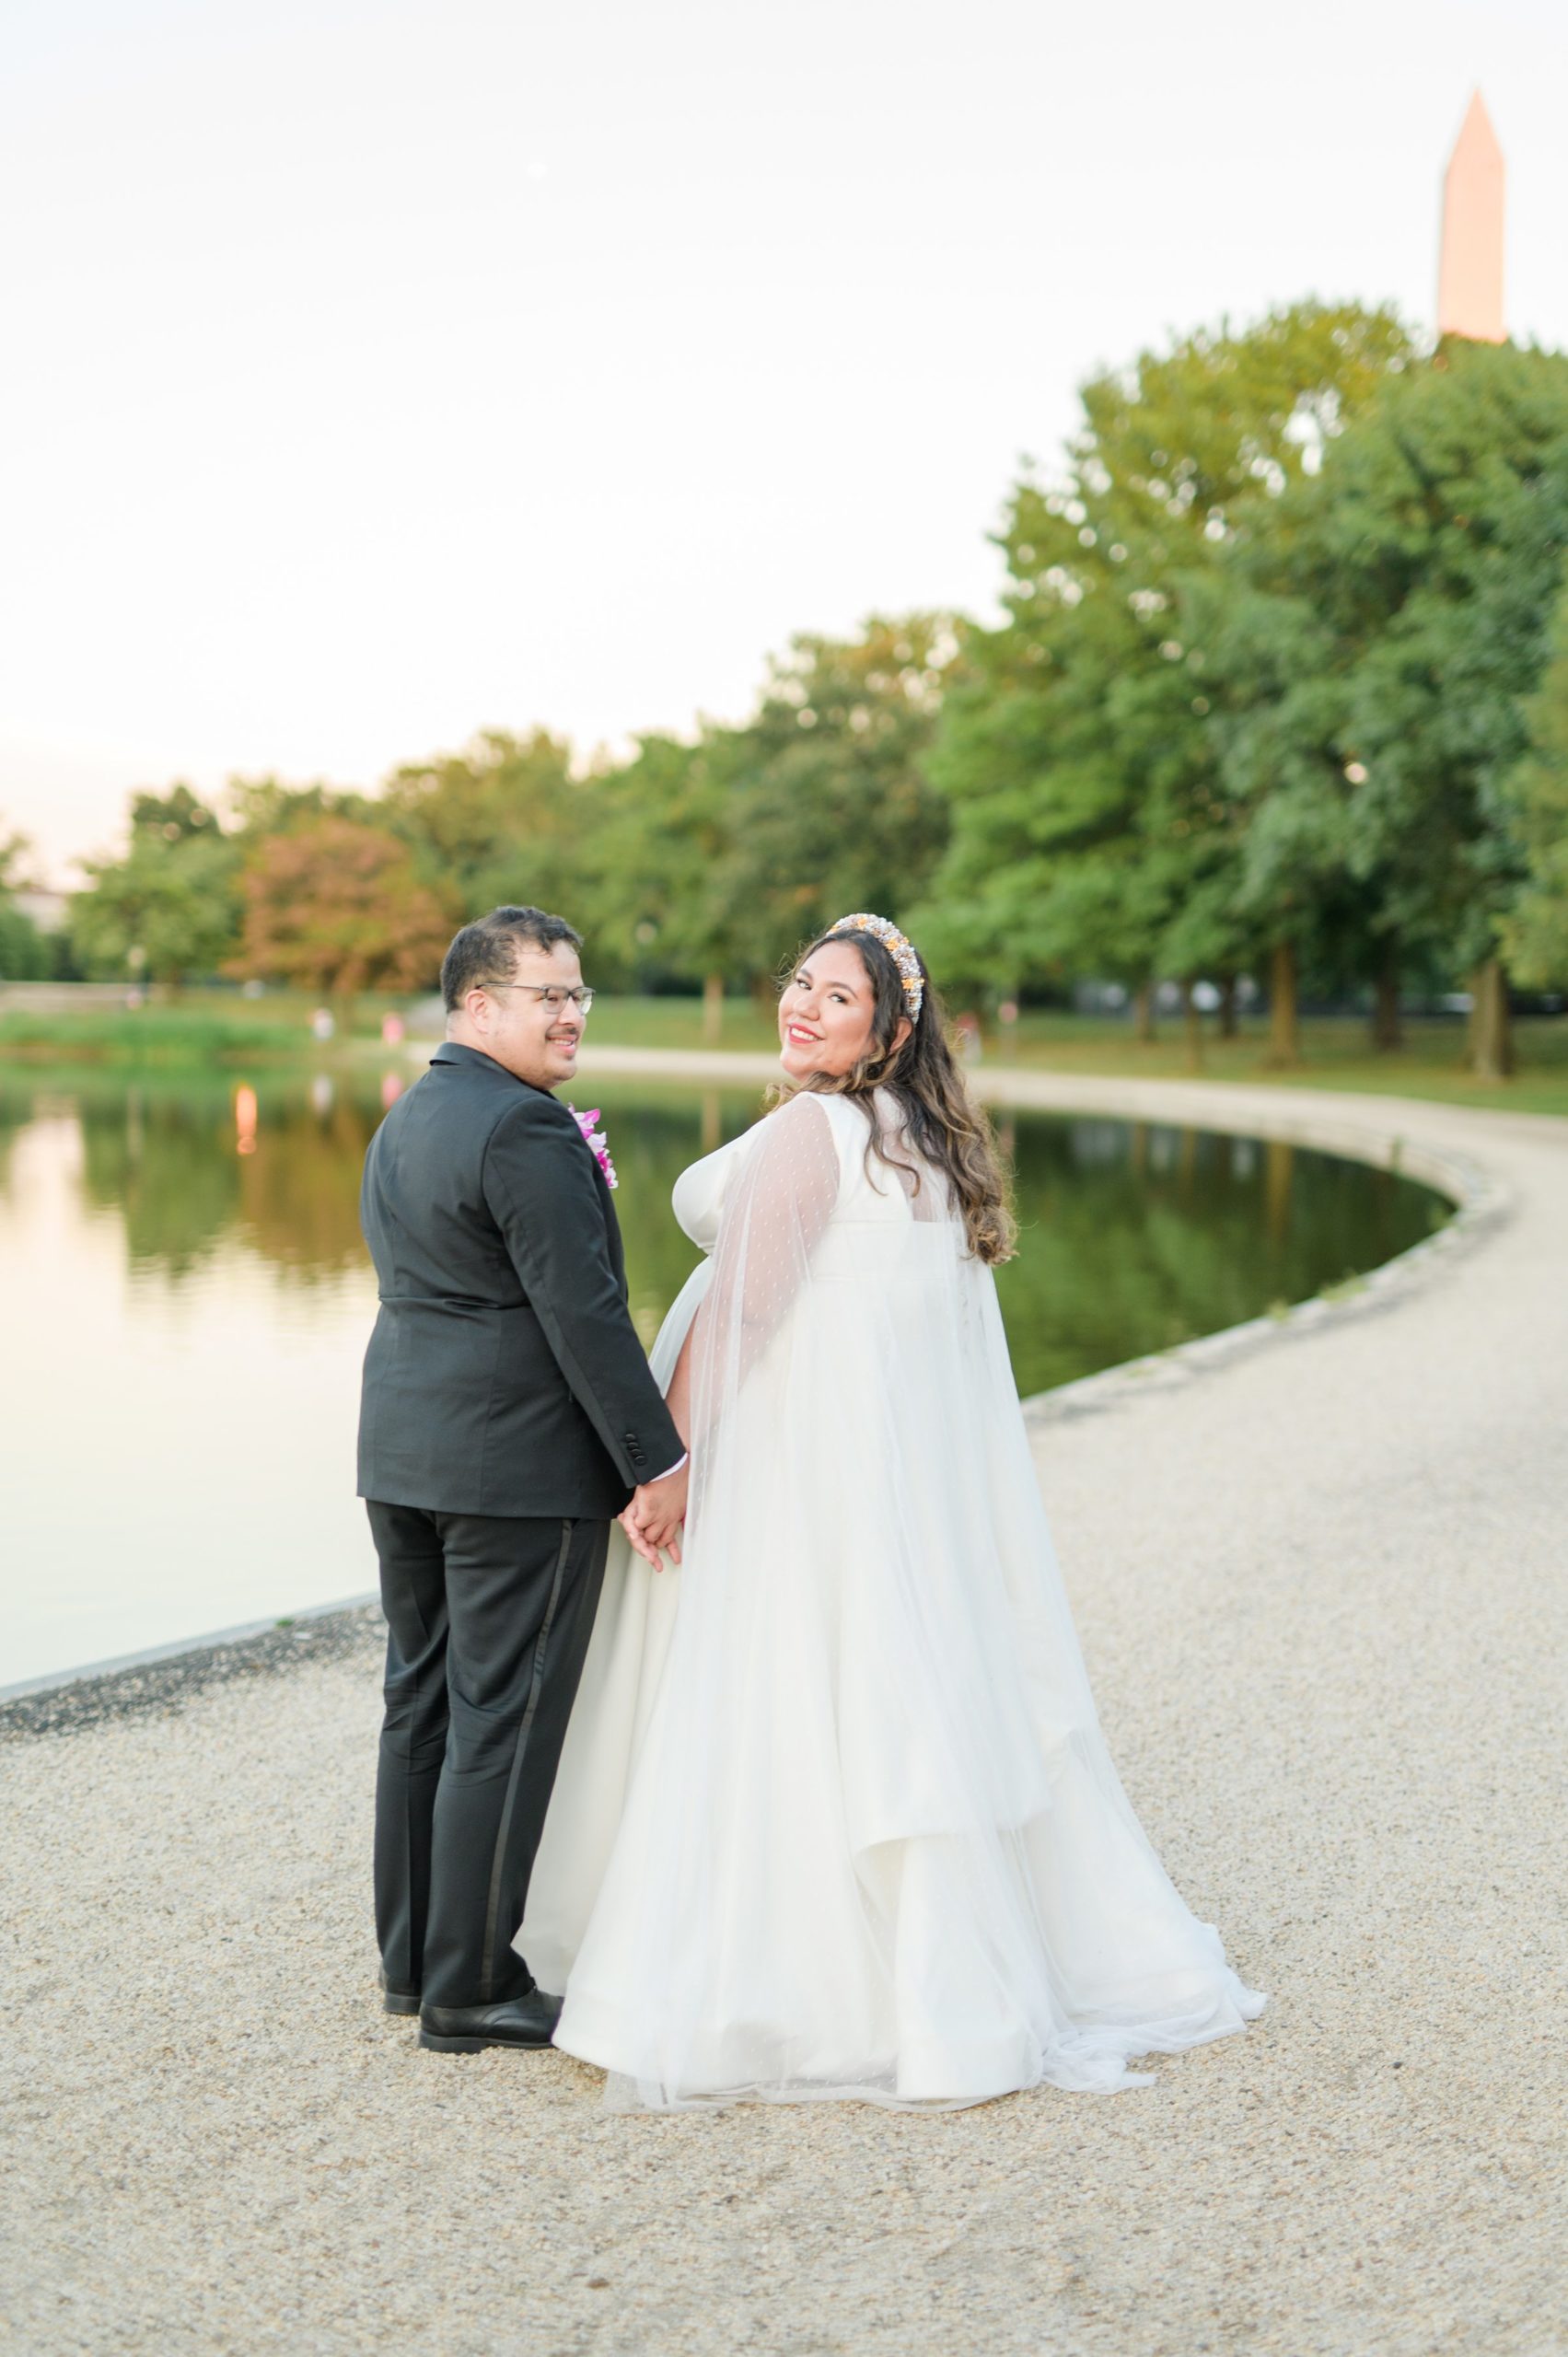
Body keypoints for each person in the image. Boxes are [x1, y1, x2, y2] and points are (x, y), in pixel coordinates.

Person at [520, 912, 1265, 2107]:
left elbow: (745, 1317)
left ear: (891, 1028)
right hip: (862, 1479)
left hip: (781, 1471)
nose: (801, 1008)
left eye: (837, 999)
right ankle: (925, 1982)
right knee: (867, 1703)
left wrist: (662, 1462)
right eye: (797, 983)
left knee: (780, 1700)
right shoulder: (917, 1141)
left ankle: (789, 1982)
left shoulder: (815, 1132)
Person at [356, 905, 688, 2055]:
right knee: (498, 1715)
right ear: (479, 1005)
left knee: (425, 1702)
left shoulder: (408, 1117)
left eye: (579, 993)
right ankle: (473, 1983)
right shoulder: (525, 1130)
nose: (572, 1014)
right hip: (515, 1467)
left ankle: (414, 1964)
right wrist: (661, 1461)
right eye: (549, 994)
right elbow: (585, 1312)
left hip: (403, 1452)